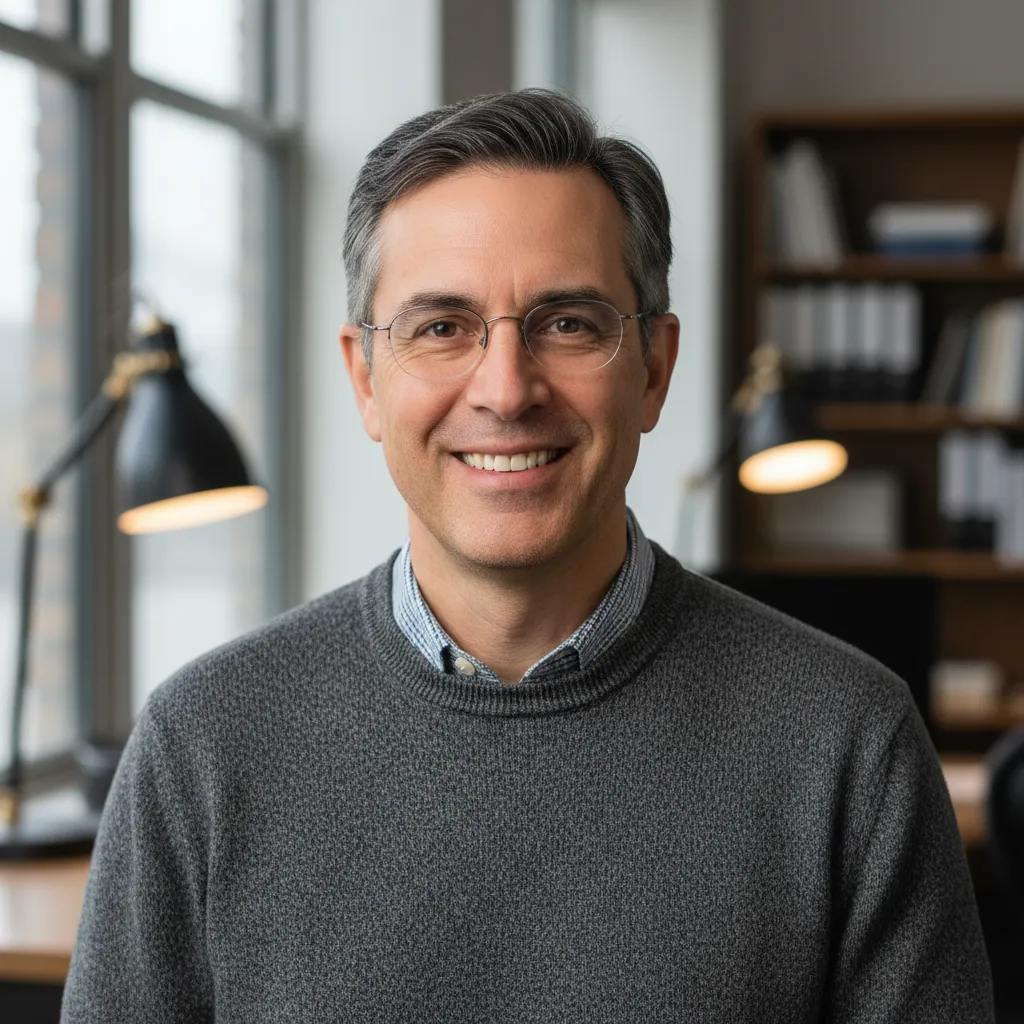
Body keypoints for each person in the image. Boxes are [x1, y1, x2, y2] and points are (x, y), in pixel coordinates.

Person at [61, 90, 995, 1023]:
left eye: (569, 324)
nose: (506, 390)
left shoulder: (850, 745)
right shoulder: (202, 748)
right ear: (365, 380)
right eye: (441, 328)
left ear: (655, 371)